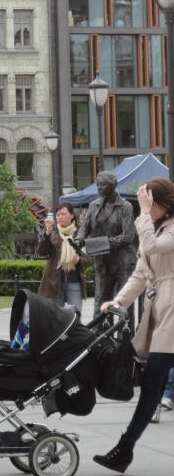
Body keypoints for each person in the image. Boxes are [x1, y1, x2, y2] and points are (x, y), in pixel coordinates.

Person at [93, 178, 174, 473]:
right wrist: (118, 301)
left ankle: (124, 448)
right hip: (162, 311)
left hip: (171, 312)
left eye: (151, 204)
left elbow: (151, 247)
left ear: (162, 204)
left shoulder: (167, 228)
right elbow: (141, 274)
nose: (147, 210)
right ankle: (124, 449)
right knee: (153, 383)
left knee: (153, 380)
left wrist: (142, 214)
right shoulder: (155, 227)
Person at [76, 171, 137, 321]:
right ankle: (99, 334)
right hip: (103, 262)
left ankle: (125, 333)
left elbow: (128, 236)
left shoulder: (125, 206)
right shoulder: (94, 205)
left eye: (102, 185)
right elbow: (85, 226)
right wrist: (79, 239)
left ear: (112, 186)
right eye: (97, 185)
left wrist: (102, 244)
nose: (98, 188)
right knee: (100, 303)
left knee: (124, 304)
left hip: (123, 262)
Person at [37, 203, 92, 316]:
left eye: (63, 214)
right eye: (58, 215)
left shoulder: (81, 233)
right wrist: (47, 233)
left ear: (72, 215)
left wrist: (78, 260)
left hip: (74, 281)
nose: (60, 217)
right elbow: (42, 252)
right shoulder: (53, 232)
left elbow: (91, 259)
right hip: (54, 283)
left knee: (75, 316)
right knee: (56, 318)